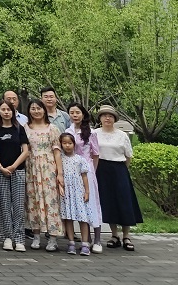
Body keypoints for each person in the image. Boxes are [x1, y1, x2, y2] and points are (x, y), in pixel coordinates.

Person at [94, 105, 142, 252]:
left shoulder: (122, 135)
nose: (107, 118)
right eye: (104, 115)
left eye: (110, 116)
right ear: (100, 118)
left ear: (114, 119)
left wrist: (122, 170)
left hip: (119, 169)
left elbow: (128, 156)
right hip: (101, 170)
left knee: (124, 201)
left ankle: (126, 236)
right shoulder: (94, 133)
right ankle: (114, 235)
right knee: (108, 202)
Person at [25, 98, 64, 251]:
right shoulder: (25, 128)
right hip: (31, 168)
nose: (36, 111)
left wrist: (59, 173)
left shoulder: (52, 128)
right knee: (33, 201)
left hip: (49, 168)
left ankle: (53, 238)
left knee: (51, 201)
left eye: (39, 108)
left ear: (44, 110)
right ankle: (36, 236)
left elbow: (57, 152)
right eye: (33, 108)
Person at [0, 99, 29, 252]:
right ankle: (7, 237)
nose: (6, 112)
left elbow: (25, 151)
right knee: (4, 205)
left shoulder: (19, 128)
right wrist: (0, 167)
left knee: (18, 206)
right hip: (1, 171)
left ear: (13, 112)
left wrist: (13, 166)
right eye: (3, 109)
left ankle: (19, 238)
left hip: (18, 170)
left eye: (9, 110)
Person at [66, 102, 102, 252]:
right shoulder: (67, 131)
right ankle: (84, 240)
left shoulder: (91, 132)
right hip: (71, 172)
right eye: (72, 112)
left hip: (87, 171)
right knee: (79, 205)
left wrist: (92, 171)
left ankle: (97, 240)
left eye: (77, 112)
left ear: (83, 114)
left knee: (92, 203)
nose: (75, 115)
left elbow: (96, 154)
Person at [58, 132, 93, 256]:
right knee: (68, 217)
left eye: (70, 143)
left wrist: (87, 191)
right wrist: (60, 187)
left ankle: (85, 244)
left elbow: (84, 176)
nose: (67, 145)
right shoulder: (60, 159)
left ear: (74, 144)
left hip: (78, 191)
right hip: (66, 192)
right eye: (64, 143)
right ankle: (71, 242)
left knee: (83, 218)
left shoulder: (80, 159)